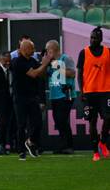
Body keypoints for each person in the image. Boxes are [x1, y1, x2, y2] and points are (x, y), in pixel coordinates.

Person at [9, 36, 52, 160]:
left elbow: (41, 74)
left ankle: (31, 142)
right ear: (24, 49)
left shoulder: (33, 61)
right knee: (21, 125)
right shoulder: (17, 62)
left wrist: (44, 65)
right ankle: (21, 151)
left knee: (37, 122)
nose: (34, 50)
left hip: (32, 97)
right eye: (32, 48)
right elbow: (33, 74)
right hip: (20, 98)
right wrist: (44, 64)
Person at [77, 26, 110, 160]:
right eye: (91, 37)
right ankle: (95, 151)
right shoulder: (83, 52)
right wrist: (82, 91)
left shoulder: (108, 52)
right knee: (92, 122)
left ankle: (103, 142)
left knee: (108, 118)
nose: (92, 40)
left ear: (101, 39)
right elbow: (79, 74)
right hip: (89, 92)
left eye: (95, 38)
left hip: (106, 91)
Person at [44, 39, 76, 154]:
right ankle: (64, 145)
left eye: (48, 50)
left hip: (65, 95)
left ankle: (68, 145)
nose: (46, 53)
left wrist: (55, 65)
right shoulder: (48, 62)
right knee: (58, 121)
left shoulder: (65, 58)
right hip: (54, 95)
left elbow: (72, 73)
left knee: (62, 120)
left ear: (53, 50)